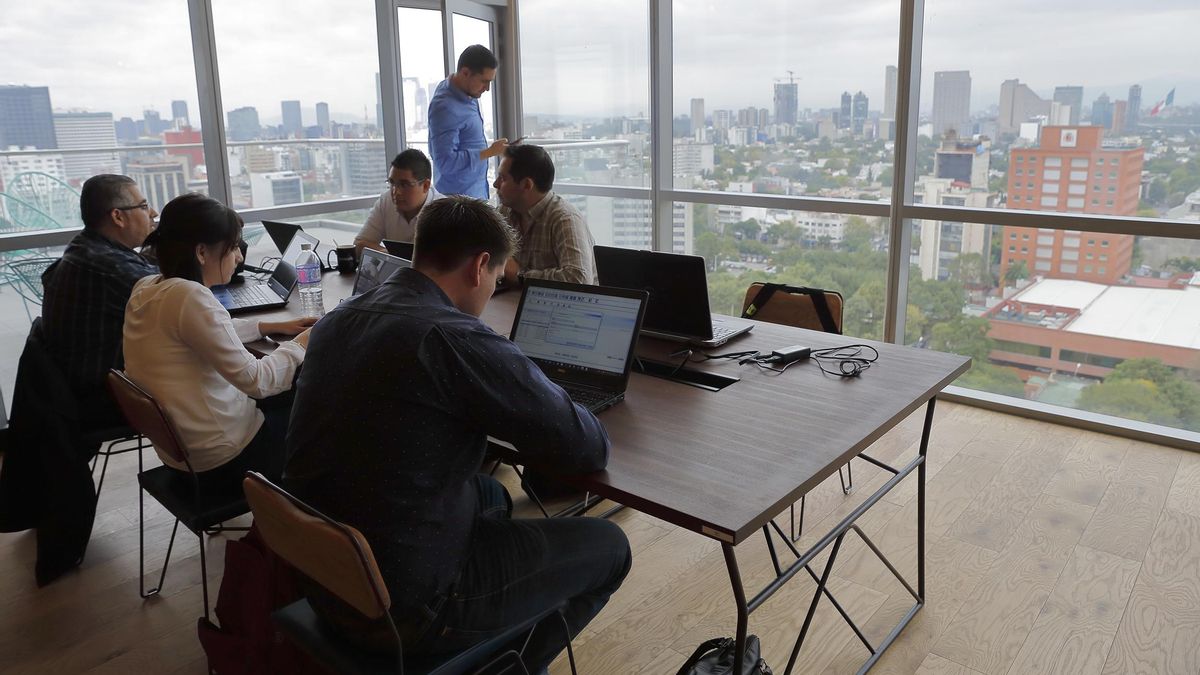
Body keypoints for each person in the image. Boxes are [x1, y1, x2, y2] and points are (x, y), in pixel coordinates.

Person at [284, 195, 630, 673]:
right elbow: (587, 447)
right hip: (407, 610)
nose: (490, 289)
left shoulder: (339, 319)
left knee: (490, 492)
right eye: (495, 276)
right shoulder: (454, 338)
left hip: (328, 578)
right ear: (480, 266)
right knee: (610, 547)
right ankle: (511, 667)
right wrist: (532, 379)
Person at [122, 193, 314, 493]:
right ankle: (309, 523)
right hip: (228, 459)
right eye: (234, 246)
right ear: (201, 252)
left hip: (186, 454)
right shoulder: (189, 297)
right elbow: (259, 381)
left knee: (298, 396)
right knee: (325, 408)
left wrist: (268, 325)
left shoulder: (148, 287)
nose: (239, 257)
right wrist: (301, 343)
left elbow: (206, 333)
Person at [40, 174, 159, 429]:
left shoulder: (85, 247)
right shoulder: (111, 267)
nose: (153, 212)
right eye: (143, 206)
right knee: (230, 381)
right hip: (111, 398)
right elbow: (180, 298)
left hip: (80, 392)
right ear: (118, 216)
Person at [495, 143, 598, 286]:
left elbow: (579, 279)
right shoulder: (503, 213)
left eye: (503, 178)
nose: (495, 184)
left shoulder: (564, 219)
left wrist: (521, 275)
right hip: (510, 302)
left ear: (526, 185)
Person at [427, 45, 507, 199]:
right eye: (484, 81)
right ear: (465, 73)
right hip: (459, 204)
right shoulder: (445, 107)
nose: (487, 89)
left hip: (474, 193)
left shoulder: (466, 91)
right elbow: (445, 162)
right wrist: (489, 152)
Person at [353, 148, 439, 258]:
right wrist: (390, 256)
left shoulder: (443, 212)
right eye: (392, 183)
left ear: (426, 186)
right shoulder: (386, 201)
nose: (396, 192)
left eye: (404, 185)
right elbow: (359, 245)